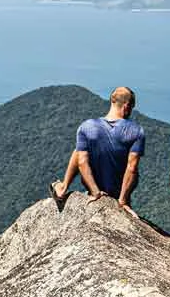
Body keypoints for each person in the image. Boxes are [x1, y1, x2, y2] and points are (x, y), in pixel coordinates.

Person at [50, 86, 145, 217]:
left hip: (96, 188)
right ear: (127, 106)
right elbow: (132, 167)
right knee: (82, 149)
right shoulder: (136, 131)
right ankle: (123, 200)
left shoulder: (87, 127)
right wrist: (122, 201)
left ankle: (62, 188)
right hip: (118, 192)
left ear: (112, 101)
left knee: (80, 150)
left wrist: (95, 192)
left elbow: (82, 162)